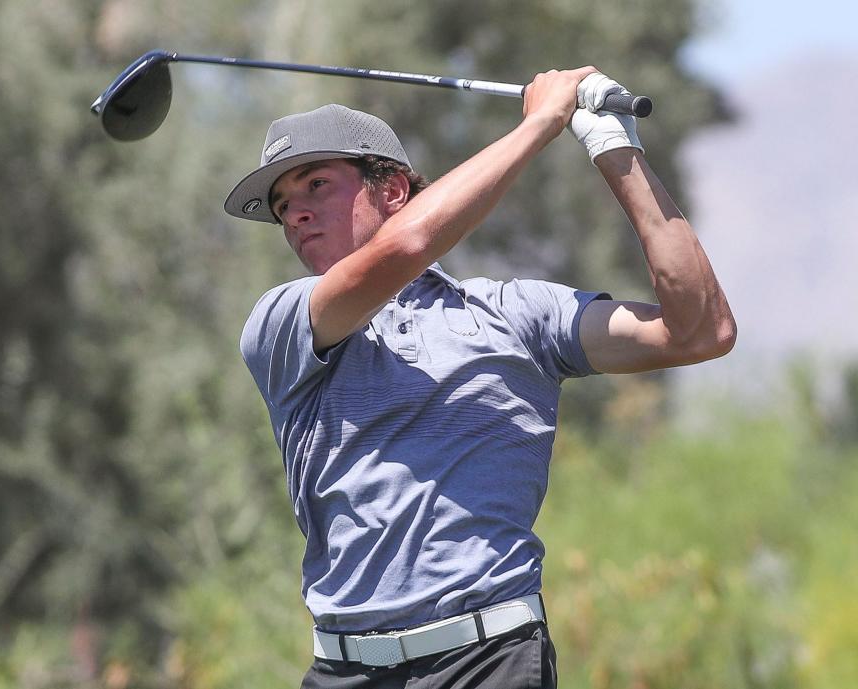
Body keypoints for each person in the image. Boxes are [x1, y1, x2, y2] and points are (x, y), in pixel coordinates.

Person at [225, 67, 736, 688]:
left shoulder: (515, 316)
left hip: (489, 661)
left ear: (391, 190)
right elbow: (407, 246)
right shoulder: (282, 324)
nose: (296, 214)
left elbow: (699, 331)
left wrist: (614, 148)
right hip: (345, 670)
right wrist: (542, 122)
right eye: (282, 206)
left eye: (316, 185)